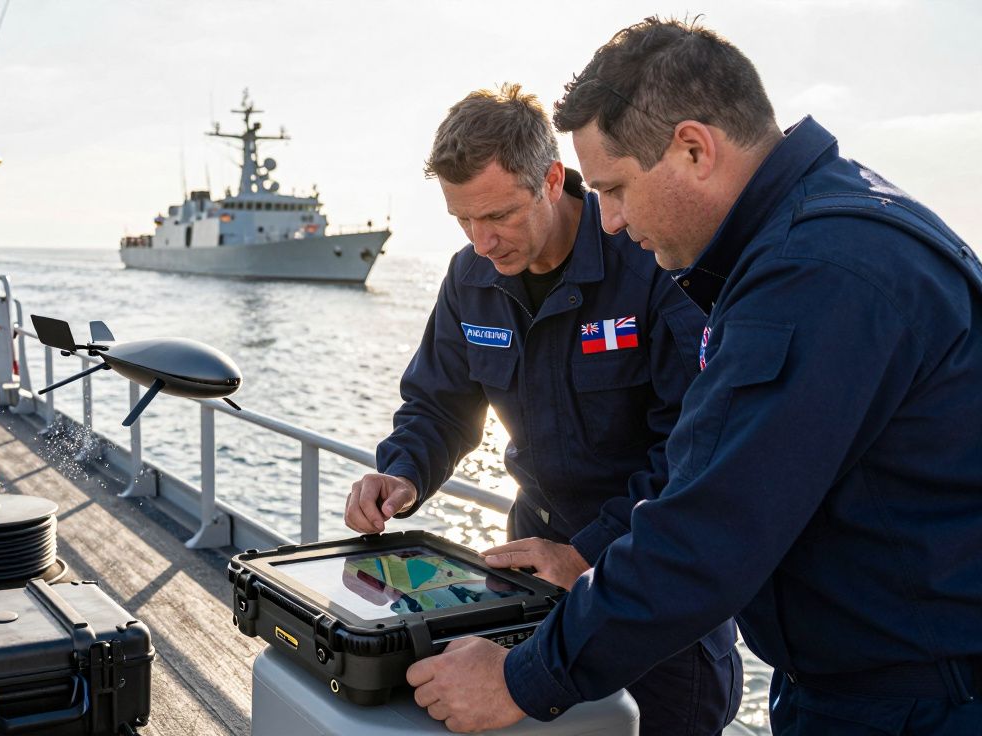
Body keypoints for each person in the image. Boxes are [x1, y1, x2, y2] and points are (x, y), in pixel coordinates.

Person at [405, 18, 982, 736]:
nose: (609, 222)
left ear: (692, 149)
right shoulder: (812, 239)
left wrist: (522, 677)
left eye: (614, 189)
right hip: (850, 682)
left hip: (918, 701)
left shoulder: (818, 276)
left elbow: (709, 524)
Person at [343, 84, 741, 734]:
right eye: (463, 220)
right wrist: (403, 472)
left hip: (650, 587)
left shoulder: (650, 263)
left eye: (498, 215)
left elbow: (695, 450)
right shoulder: (469, 279)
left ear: (552, 179)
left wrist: (585, 555)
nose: (481, 241)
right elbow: (439, 406)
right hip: (526, 584)